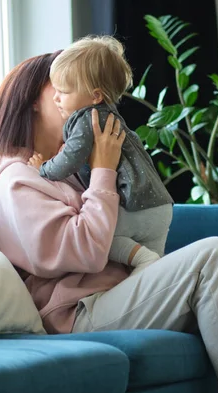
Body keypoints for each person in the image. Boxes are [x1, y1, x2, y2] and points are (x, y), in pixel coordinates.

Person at [0, 52, 218, 393]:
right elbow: (83, 253)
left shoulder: (70, 168)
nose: (69, 95)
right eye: (58, 87)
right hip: (78, 313)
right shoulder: (16, 181)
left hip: (121, 291)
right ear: (33, 103)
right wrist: (103, 170)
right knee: (215, 253)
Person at [27, 36, 173, 273]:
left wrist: (43, 167)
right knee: (151, 276)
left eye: (63, 92)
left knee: (101, 239)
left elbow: (69, 161)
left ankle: (144, 258)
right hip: (161, 206)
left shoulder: (87, 119)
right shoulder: (111, 116)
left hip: (136, 206)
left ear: (95, 96)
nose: (56, 98)